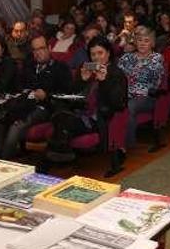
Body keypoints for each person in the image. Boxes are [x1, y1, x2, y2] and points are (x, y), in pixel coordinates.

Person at [44, 37, 128, 167]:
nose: (96, 58)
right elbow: (72, 95)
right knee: (60, 114)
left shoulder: (116, 73)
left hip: (98, 118)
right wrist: (82, 80)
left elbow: (117, 103)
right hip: (79, 111)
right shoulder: (87, 70)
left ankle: (52, 160)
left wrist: (104, 81)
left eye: (100, 53)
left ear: (108, 53)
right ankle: (58, 156)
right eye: (93, 54)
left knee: (63, 121)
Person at [0, 35, 70, 160]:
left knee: (17, 125)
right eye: (35, 50)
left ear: (49, 48)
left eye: (41, 48)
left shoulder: (60, 67)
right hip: (24, 102)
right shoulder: (29, 66)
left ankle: (3, 162)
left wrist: (47, 95)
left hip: (45, 106)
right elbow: (20, 87)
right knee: (0, 119)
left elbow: (66, 94)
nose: (38, 53)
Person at [118, 26, 164, 155]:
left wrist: (129, 73)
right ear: (135, 42)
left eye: (146, 40)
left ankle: (127, 145)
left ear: (152, 43)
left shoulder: (157, 58)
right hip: (126, 94)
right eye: (139, 40)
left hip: (147, 96)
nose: (142, 44)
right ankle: (112, 142)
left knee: (130, 106)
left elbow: (148, 77)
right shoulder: (127, 57)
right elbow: (117, 75)